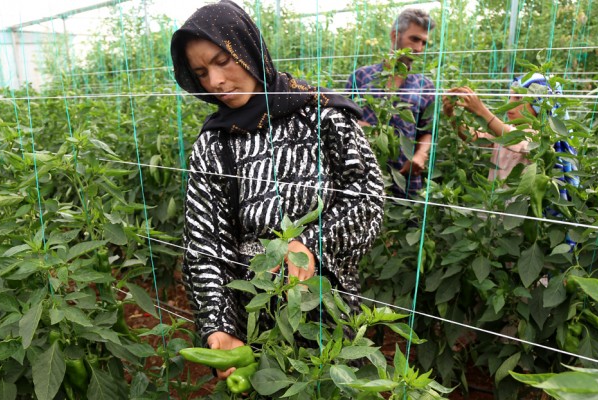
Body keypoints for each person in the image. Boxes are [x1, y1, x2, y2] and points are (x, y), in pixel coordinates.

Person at [170, 0, 385, 379]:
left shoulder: (321, 115)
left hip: (328, 304)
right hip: (252, 314)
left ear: (248, 48)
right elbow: (204, 240)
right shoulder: (214, 143)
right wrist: (219, 323)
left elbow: (366, 197)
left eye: (223, 61)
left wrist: (310, 245)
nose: (215, 82)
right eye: (201, 72)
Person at [346, 9, 436, 198]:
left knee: (407, 223)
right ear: (395, 35)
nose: (419, 48)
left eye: (424, 43)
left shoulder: (425, 86)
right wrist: (364, 128)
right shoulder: (361, 77)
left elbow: (427, 130)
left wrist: (420, 156)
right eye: (414, 39)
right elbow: (343, 118)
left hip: (406, 177)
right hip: (363, 175)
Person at [442, 73, 566, 181]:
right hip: (496, 203)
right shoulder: (505, 128)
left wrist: (480, 110)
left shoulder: (543, 135)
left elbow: (512, 137)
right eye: (509, 96)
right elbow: (473, 136)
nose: (510, 103)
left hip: (523, 206)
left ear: (538, 104)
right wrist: (452, 116)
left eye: (518, 98)